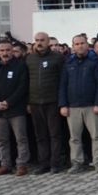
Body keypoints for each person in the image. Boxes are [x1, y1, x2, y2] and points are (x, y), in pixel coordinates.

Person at [59, 36, 98, 173]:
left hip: (91, 105)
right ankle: (76, 162)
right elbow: (63, 85)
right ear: (73, 46)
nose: (80, 46)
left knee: (96, 136)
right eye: (77, 44)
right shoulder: (68, 63)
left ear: (87, 45)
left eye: (82, 43)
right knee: (74, 138)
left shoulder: (95, 62)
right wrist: (63, 105)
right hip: (72, 106)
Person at [25, 32, 66, 174]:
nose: (39, 43)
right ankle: (44, 163)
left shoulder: (58, 58)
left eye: (42, 40)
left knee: (55, 134)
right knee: (40, 135)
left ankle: (56, 163)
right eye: (37, 40)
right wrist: (28, 102)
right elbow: (26, 82)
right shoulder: (29, 59)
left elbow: (62, 82)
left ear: (48, 41)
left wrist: (62, 102)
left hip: (53, 102)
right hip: (35, 102)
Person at [0, 41, 31, 176]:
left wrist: (8, 102)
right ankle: (5, 164)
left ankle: (22, 164)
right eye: (2, 50)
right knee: (2, 140)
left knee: (21, 138)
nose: (5, 53)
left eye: (8, 50)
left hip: (16, 109)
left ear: (12, 51)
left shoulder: (20, 66)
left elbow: (22, 87)